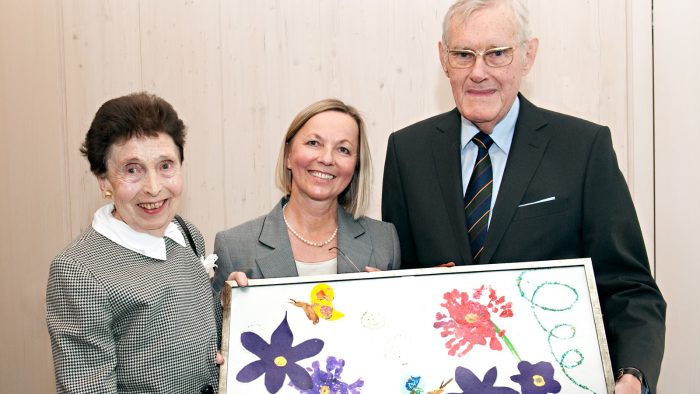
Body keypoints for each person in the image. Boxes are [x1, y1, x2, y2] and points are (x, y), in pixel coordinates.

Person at [381, 1, 665, 393]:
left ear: (528, 55)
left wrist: (633, 376)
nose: (478, 72)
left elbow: (629, 288)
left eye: (497, 53)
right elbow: (403, 280)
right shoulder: (406, 152)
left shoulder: (583, 148)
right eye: (463, 54)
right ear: (443, 59)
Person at [46, 92, 220, 393]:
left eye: (166, 165)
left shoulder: (185, 232)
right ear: (103, 180)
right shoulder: (78, 270)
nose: (153, 188)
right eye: (132, 170)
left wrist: (233, 305)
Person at [213, 98, 400, 291]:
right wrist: (228, 305)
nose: (327, 159)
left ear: (355, 166)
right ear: (288, 156)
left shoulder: (384, 242)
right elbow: (210, 321)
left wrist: (390, 305)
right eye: (314, 143)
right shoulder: (234, 247)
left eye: (343, 149)